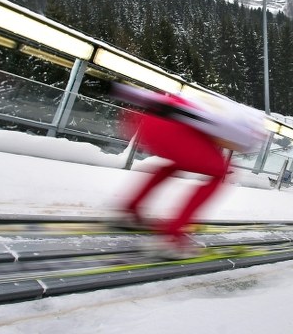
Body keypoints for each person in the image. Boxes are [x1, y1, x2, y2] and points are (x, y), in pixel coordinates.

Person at [112, 83, 263, 259]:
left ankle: (129, 211)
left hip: (150, 120)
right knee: (222, 173)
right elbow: (227, 134)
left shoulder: (226, 107)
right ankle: (171, 238)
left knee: (179, 164)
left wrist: (123, 91)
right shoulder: (248, 129)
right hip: (175, 125)